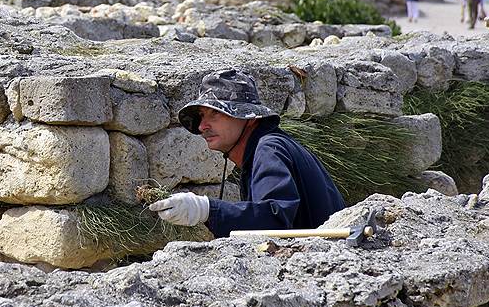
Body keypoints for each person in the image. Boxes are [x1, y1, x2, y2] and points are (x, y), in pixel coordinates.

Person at [148, 69, 345, 237]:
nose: (202, 126)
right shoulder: (266, 147)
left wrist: (206, 209)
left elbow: (275, 222)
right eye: (201, 116)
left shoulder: (268, 150)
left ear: (249, 118)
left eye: (215, 113)